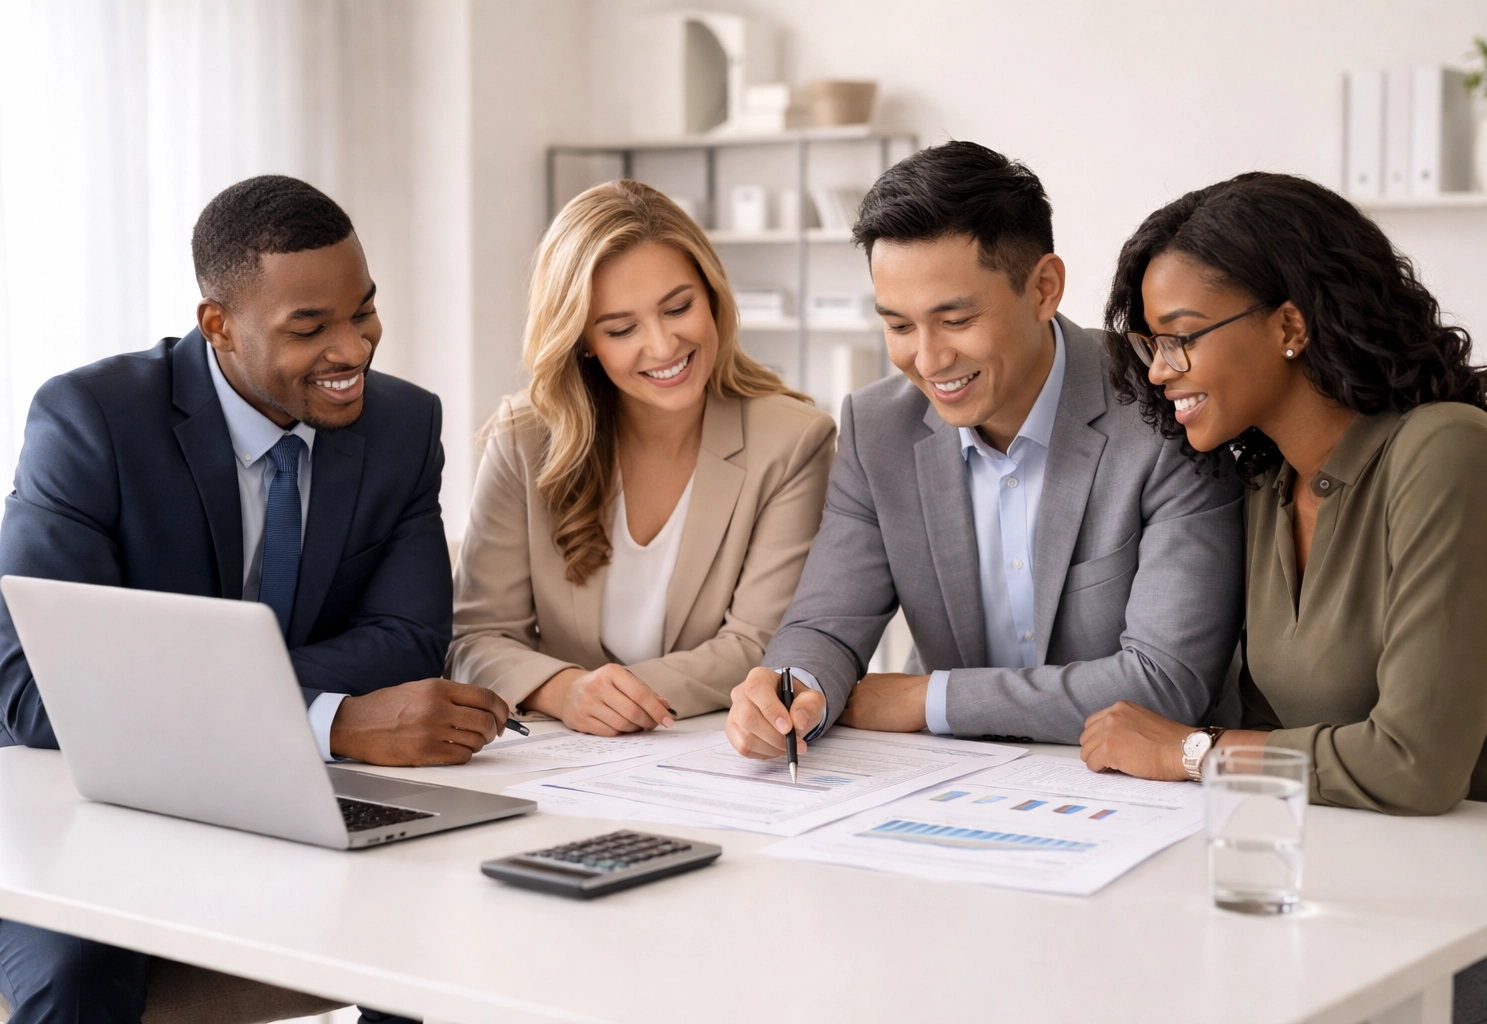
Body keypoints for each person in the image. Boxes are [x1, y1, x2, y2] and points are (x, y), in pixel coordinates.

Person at [0, 175, 503, 1023]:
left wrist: (176, 689)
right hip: (82, 800)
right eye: (310, 327)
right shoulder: (91, 419)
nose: (354, 350)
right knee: (79, 971)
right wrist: (330, 717)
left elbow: (409, 641)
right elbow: (41, 696)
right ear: (219, 326)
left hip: (288, 795)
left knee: (441, 910)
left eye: (364, 311)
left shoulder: (404, 426)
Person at [1081, 171, 1487, 1024]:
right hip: (1353, 888)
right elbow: (1273, 724)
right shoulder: (1266, 487)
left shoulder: (1446, 453)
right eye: (1152, 344)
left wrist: (1190, 753)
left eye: (1182, 337)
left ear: (1290, 324)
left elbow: (1415, 764)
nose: (1164, 370)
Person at [724, 141, 1245, 761]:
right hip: (954, 782)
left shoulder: (1162, 407)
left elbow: (1165, 682)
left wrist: (929, 701)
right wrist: (794, 689)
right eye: (897, 325)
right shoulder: (877, 427)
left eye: (956, 319)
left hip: (1139, 789)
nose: (927, 359)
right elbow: (825, 624)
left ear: (1044, 289)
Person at [448, 180, 835, 734]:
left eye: (678, 307)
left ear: (713, 295)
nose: (662, 346)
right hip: (561, 753)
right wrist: (563, 691)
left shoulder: (794, 441)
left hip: (707, 749)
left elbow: (759, 643)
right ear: (582, 339)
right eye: (622, 328)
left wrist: (616, 697)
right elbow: (478, 636)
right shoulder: (523, 437)